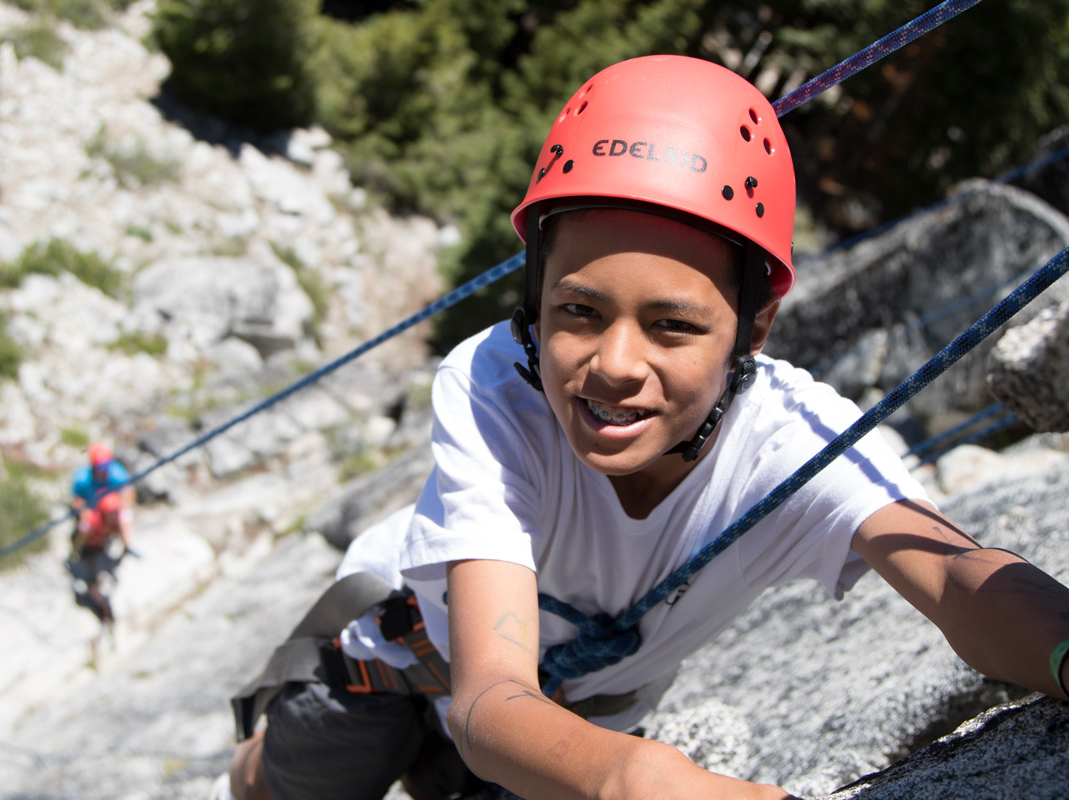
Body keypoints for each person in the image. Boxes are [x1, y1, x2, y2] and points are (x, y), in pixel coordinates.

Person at [217, 55, 1069, 800]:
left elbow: (961, 580)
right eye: (577, 310)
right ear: (533, 297)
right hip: (398, 662)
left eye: (672, 326)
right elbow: (487, 700)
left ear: (755, 329)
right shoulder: (494, 385)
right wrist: (641, 778)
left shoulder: (793, 442)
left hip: (561, 732)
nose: (616, 363)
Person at [67, 442, 135, 649]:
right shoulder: (82, 477)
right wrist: (83, 513)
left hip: (108, 514)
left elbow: (128, 493)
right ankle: (81, 547)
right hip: (92, 516)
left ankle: (126, 544)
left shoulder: (116, 472)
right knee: (87, 525)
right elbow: (76, 501)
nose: (103, 472)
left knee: (119, 511)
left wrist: (120, 507)